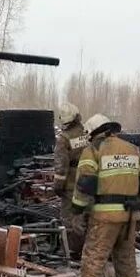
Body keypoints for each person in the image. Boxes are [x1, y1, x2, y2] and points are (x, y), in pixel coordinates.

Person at [69, 114, 140, 277]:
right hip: (130, 214)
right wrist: (139, 207)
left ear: (93, 132)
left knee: (95, 257)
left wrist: (77, 211)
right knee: (125, 255)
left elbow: (85, 185)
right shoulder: (132, 149)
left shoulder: (93, 150)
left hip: (104, 215)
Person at [53, 103, 89, 259]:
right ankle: (89, 247)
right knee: (87, 214)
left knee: (69, 218)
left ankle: (73, 251)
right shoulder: (88, 132)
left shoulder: (64, 138)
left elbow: (61, 166)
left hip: (71, 184)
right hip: (89, 181)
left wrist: (58, 186)